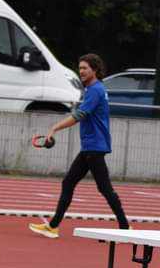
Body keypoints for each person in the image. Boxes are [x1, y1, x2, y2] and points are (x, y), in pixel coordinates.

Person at [29, 53, 129, 239]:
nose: (81, 71)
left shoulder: (96, 90)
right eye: (80, 67)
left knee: (104, 188)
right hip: (91, 147)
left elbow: (79, 115)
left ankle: (124, 227)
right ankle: (53, 226)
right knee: (69, 182)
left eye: (85, 68)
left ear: (95, 70)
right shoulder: (95, 89)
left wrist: (54, 128)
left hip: (94, 147)